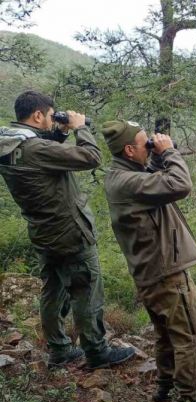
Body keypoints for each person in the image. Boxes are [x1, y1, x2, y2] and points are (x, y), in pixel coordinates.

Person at [0, 91, 135, 369]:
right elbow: (90, 157)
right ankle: (97, 353)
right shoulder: (36, 149)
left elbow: (42, 158)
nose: (53, 119)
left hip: (43, 232)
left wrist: (59, 133)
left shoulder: (10, 145)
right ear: (38, 115)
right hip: (70, 232)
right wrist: (80, 128)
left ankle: (59, 350)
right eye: (50, 115)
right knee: (86, 290)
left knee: (53, 291)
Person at [101, 120, 196, 402]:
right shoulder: (129, 182)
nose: (150, 146)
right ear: (129, 150)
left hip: (150, 273)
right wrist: (170, 153)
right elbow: (180, 184)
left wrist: (154, 156)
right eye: (144, 144)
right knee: (192, 337)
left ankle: (165, 387)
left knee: (167, 335)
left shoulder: (120, 175)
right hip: (167, 274)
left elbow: (152, 181)